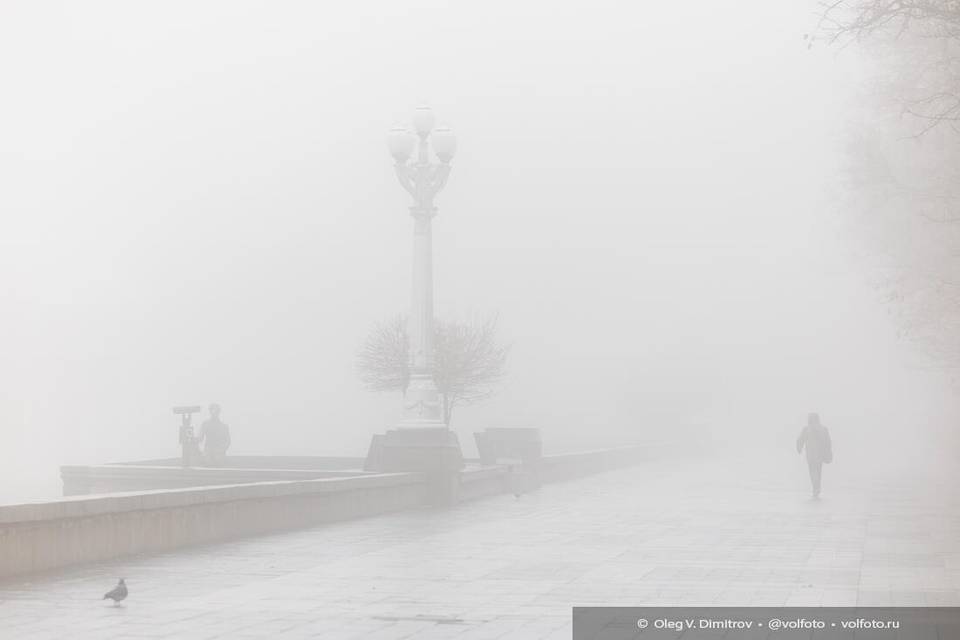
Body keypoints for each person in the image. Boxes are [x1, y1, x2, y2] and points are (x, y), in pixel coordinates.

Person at [796, 412, 832, 499]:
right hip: (819, 455)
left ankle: (815, 488)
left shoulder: (806, 429)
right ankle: (817, 488)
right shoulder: (823, 429)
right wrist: (829, 452)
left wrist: (799, 448)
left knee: (813, 471)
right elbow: (828, 442)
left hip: (811, 455)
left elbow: (800, 440)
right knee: (818, 471)